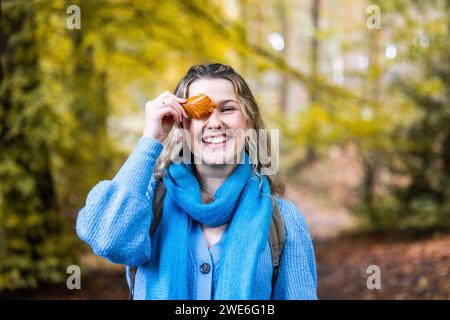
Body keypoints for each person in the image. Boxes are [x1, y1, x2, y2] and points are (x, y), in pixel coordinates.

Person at [76, 63, 318, 299]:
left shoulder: (283, 220)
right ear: (181, 123)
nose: (215, 123)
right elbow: (107, 238)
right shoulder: (148, 203)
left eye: (227, 109)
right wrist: (150, 140)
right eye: (200, 112)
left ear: (249, 121)